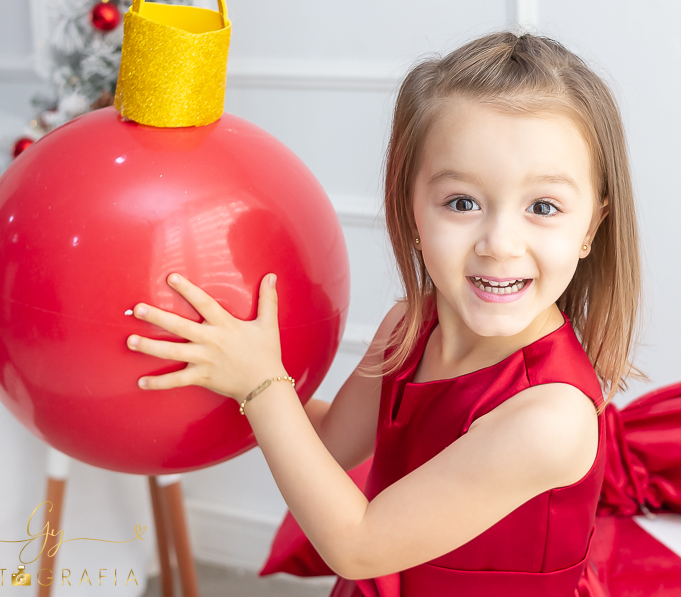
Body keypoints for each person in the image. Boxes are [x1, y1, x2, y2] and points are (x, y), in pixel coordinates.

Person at [126, 31, 640, 596]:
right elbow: (330, 444)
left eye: (543, 206)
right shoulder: (409, 325)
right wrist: (230, 362)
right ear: (410, 209)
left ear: (591, 227)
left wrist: (262, 385)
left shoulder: (551, 418)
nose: (499, 243)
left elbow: (357, 545)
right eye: (462, 202)